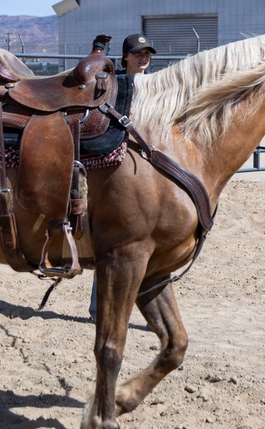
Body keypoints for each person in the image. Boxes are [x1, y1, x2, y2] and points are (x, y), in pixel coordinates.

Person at [89, 33, 155, 320]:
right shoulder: (113, 87)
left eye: (147, 53)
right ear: (126, 57)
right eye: (138, 53)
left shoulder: (156, 87)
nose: (144, 58)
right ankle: (98, 305)